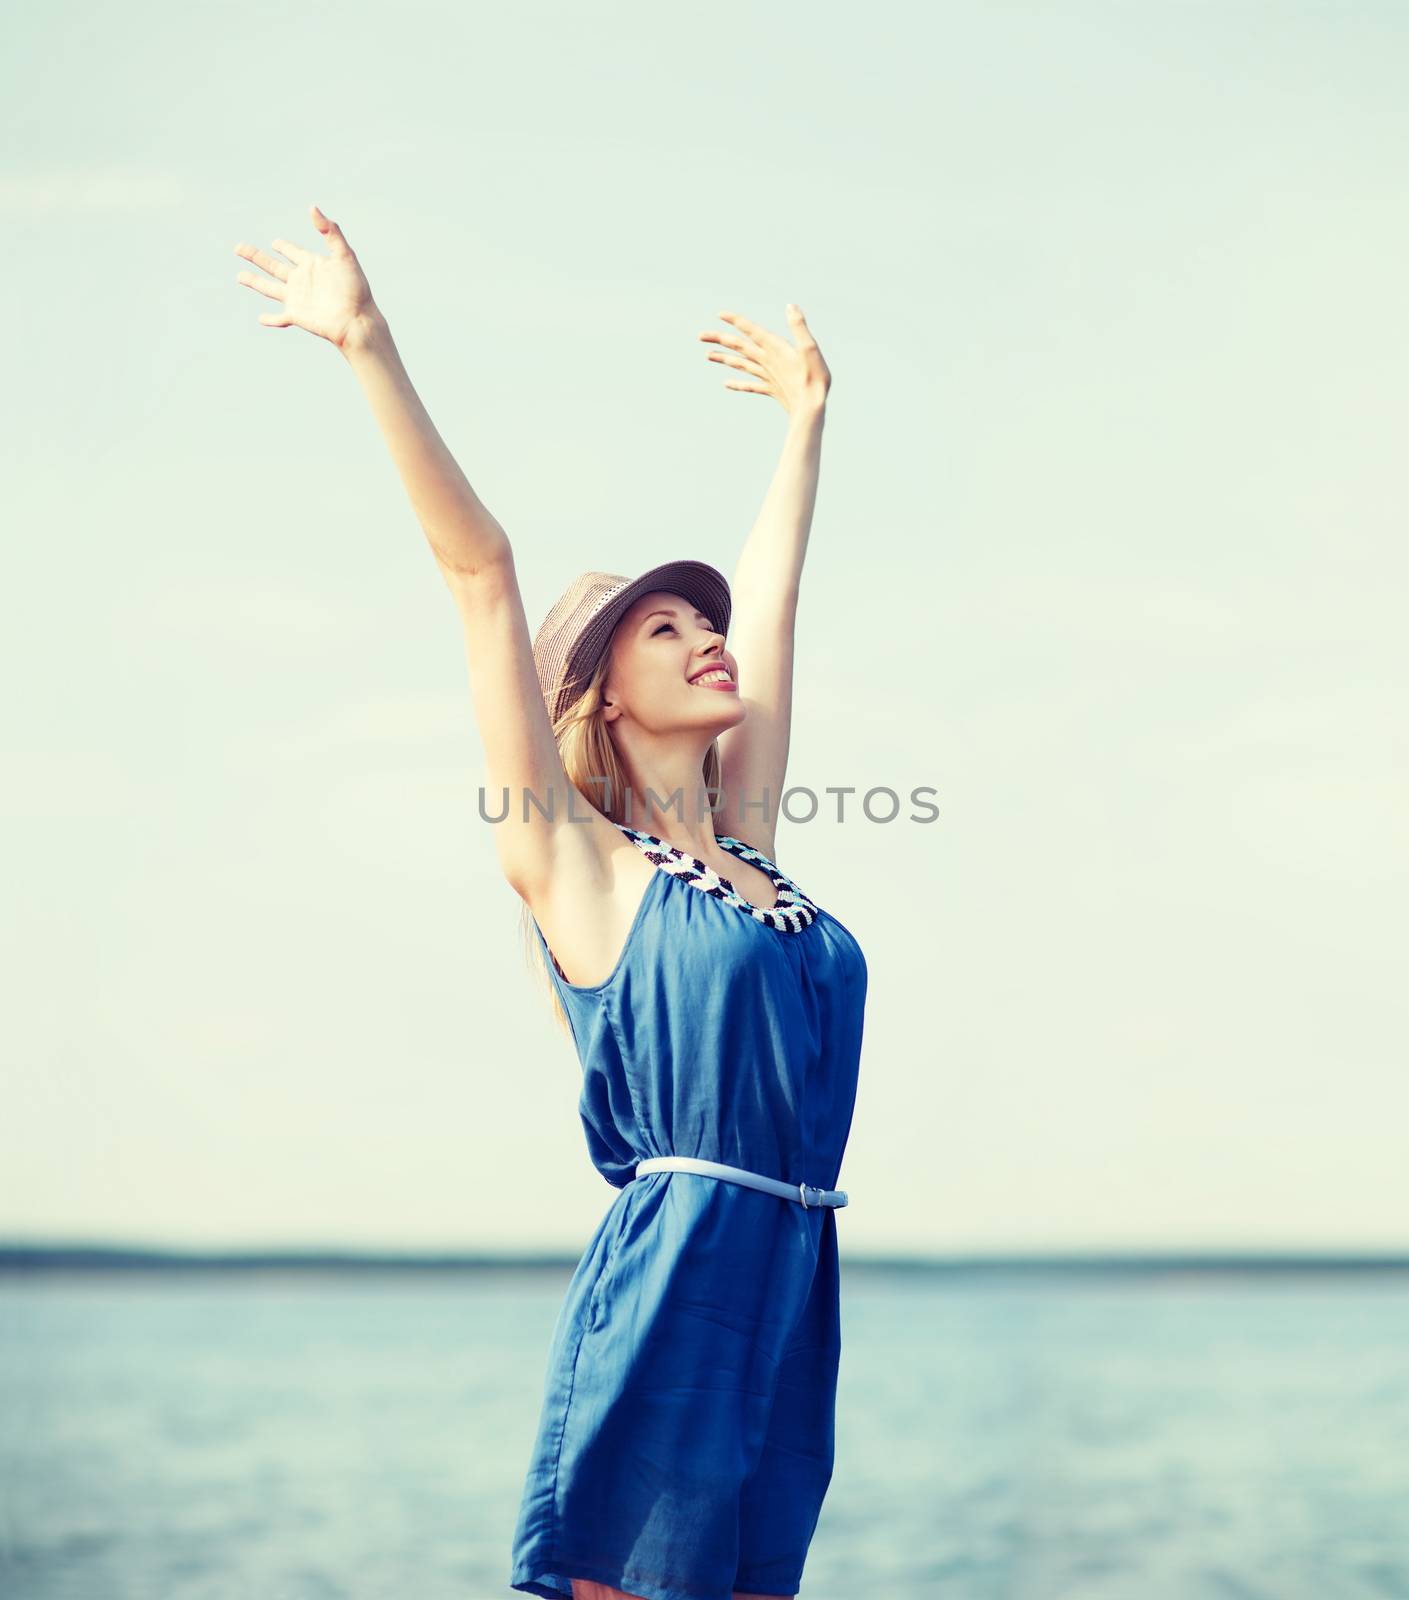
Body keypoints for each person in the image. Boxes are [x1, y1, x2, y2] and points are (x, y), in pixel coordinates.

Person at [233, 205, 869, 1600]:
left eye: (702, 626)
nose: (705, 639)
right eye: (662, 627)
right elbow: (480, 576)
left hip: (791, 1277)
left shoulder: (754, 853)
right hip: (675, 1289)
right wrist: (368, 348)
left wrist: (803, 426)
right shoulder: (576, 863)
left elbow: (773, 607)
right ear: (592, 692)